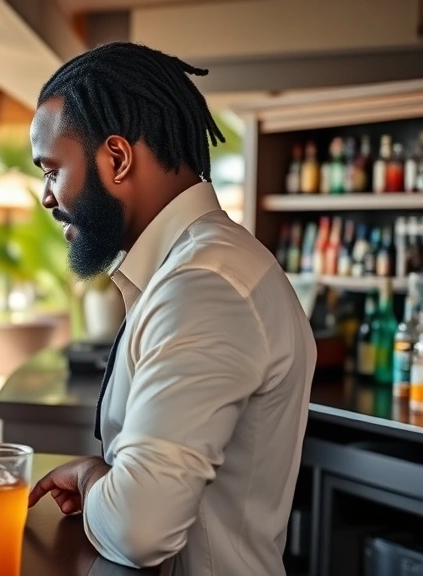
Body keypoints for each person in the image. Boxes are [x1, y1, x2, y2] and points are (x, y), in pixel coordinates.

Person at [26, 42, 317, 575]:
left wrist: (96, 480)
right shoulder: (197, 267)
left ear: (116, 158)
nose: (47, 196)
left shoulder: (204, 286)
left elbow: (140, 531)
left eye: (50, 170)